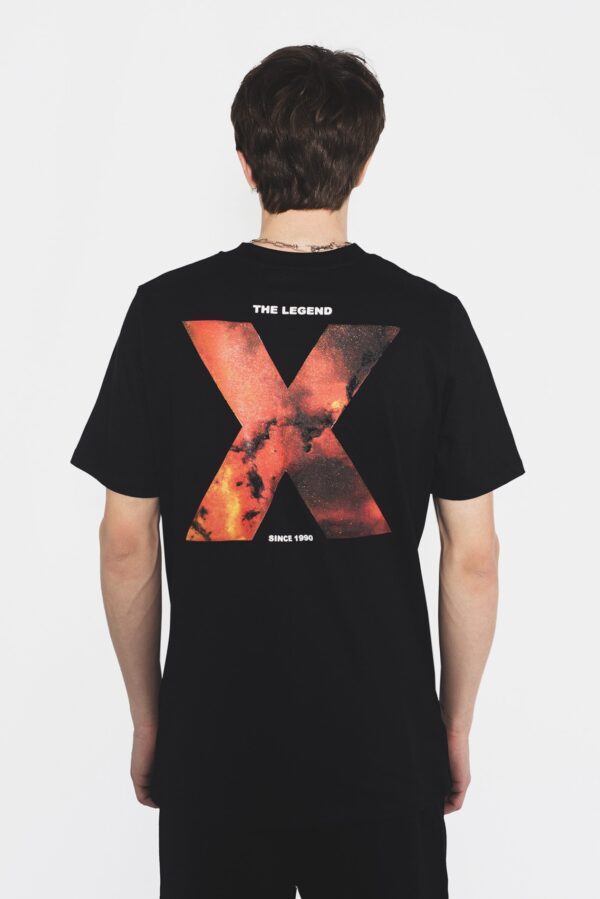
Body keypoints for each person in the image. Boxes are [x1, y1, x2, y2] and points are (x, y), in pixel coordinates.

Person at [71, 44, 524, 899]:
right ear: (365, 162)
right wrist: (452, 723)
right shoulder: (431, 321)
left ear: (245, 164)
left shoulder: (163, 313)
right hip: (384, 744)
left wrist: (150, 718)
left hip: (213, 742)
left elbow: (125, 541)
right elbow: (474, 554)